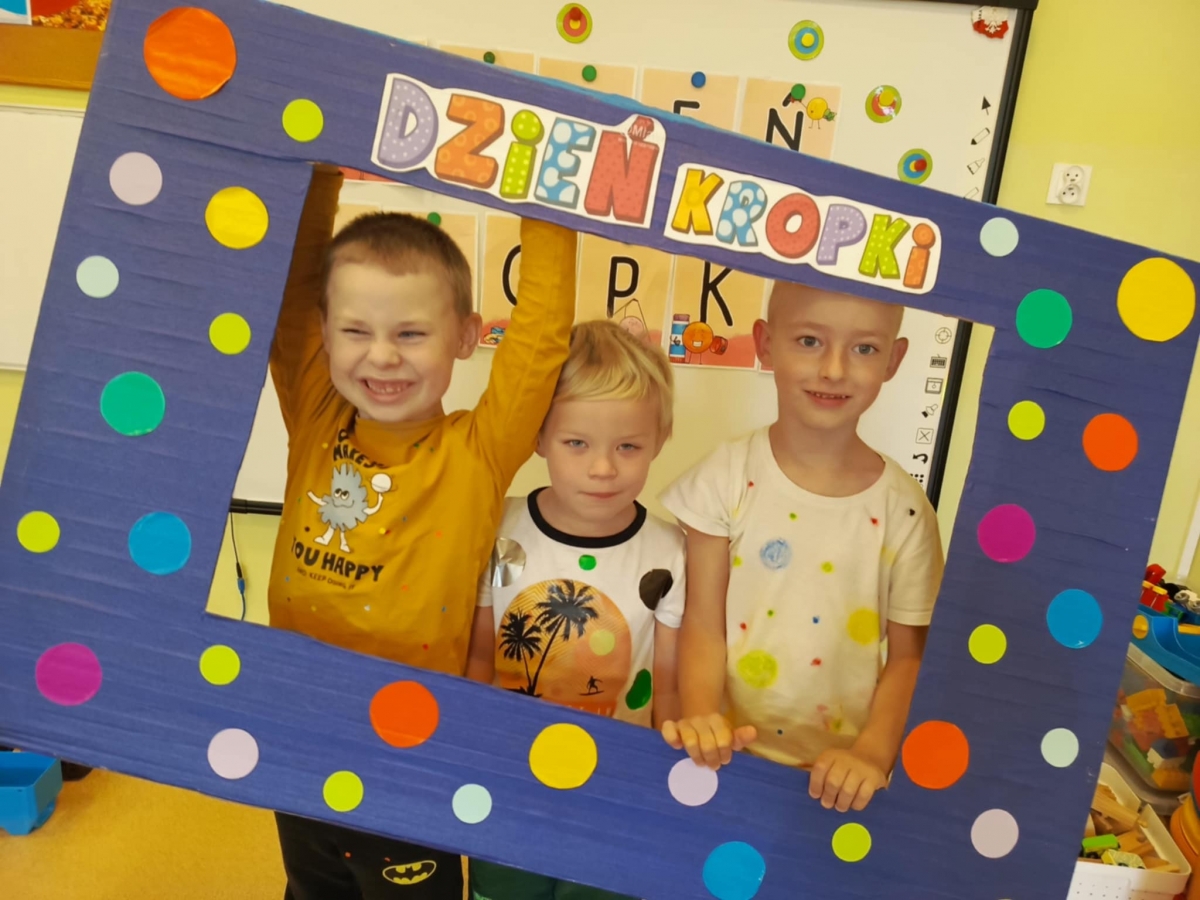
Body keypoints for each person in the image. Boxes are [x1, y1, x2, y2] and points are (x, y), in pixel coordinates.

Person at [267, 165, 578, 899]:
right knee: (312, 887)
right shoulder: (317, 412)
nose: (382, 356)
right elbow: (295, 286)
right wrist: (320, 164)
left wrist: (551, 186)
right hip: (296, 724)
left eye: (411, 333)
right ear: (324, 332)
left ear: (466, 337)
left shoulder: (478, 451)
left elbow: (541, 336)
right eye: (355, 331)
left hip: (412, 745)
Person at [659, 279, 944, 814]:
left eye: (864, 349)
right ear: (766, 344)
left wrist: (871, 755)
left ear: (894, 359)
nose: (834, 369)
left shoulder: (906, 511)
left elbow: (908, 658)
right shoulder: (723, 476)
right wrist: (701, 715)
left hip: (838, 783)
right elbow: (702, 621)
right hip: (724, 761)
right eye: (810, 341)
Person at [466, 319, 684, 900]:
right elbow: (479, 657)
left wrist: (665, 787)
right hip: (509, 781)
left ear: (659, 439)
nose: (603, 468)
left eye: (628, 446)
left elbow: (668, 684)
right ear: (539, 435)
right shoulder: (499, 527)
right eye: (577, 443)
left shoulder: (671, 552)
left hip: (619, 788)